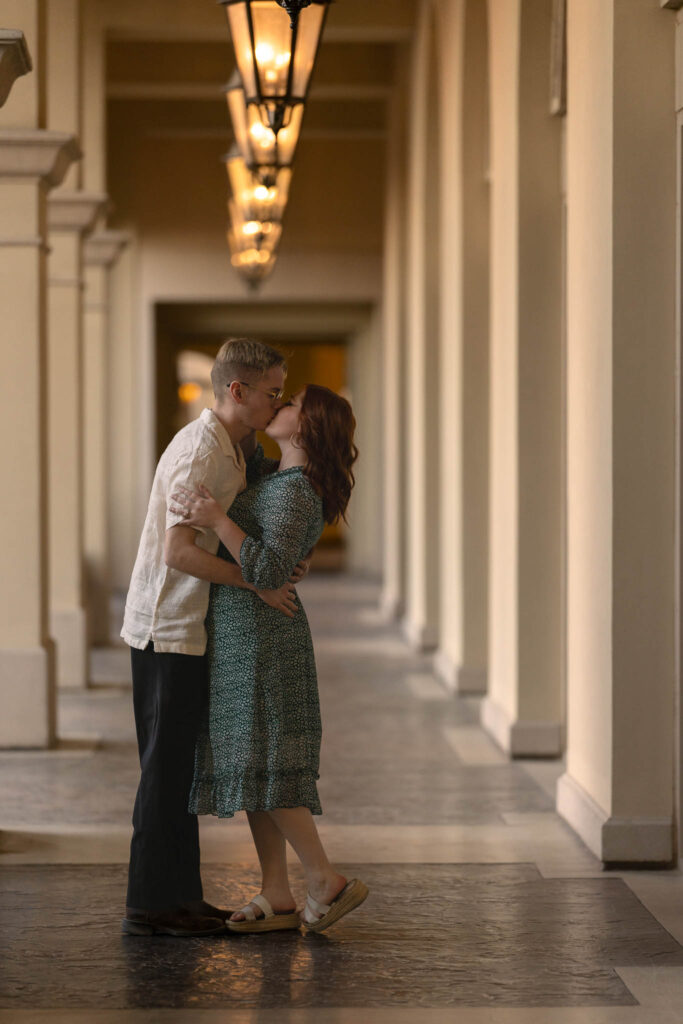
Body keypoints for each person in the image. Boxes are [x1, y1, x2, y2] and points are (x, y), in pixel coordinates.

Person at [120, 337, 305, 938]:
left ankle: (181, 898)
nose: (278, 401)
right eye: (272, 391)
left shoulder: (238, 446)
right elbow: (177, 551)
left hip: (189, 630)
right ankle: (152, 906)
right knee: (164, 773)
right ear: (238, 391)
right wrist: (255, 583)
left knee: (180, 773)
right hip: (164, 630)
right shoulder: (202, 450)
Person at [170, 385, 369, 934]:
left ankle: (323, 877)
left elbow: (265, 571)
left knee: (266, 763)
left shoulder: (297, 491)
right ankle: (277, 891)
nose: (277, 408)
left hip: (262, 639)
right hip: (243, 635)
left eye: (289, 404)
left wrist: (215, 518)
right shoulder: (275, 476)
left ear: (305, 427)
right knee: (254, 765)